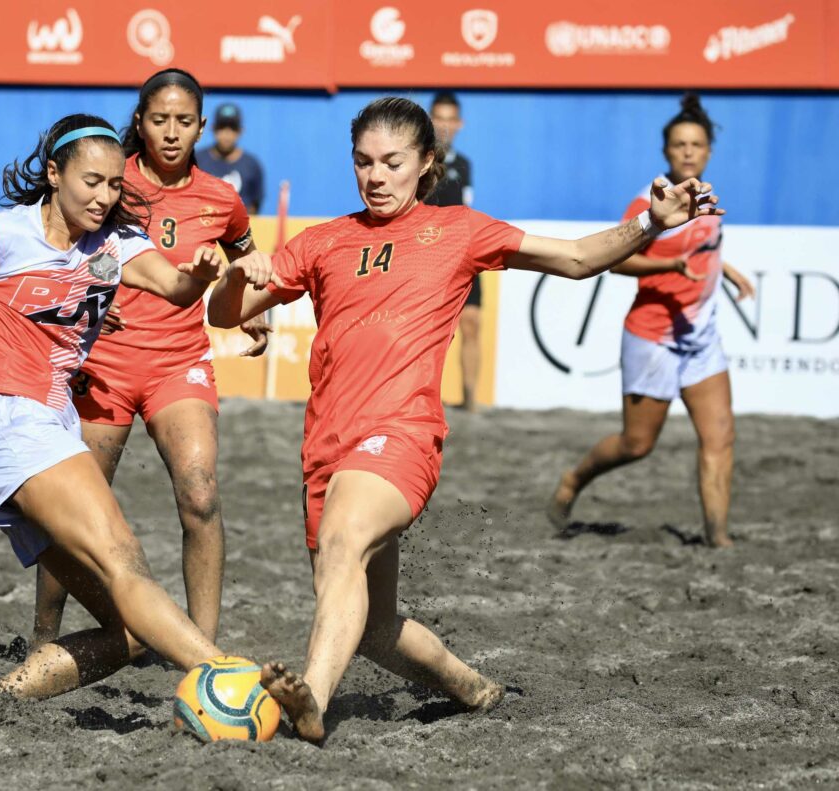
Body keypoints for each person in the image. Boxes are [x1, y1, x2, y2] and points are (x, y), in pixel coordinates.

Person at [207, 97, 723, 742]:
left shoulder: (458, 231)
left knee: (343, 540)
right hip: (325, 447)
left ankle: (310, 704)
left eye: (392, 163)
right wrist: (237, 276)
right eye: (363, 162)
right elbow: (224, 314)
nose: (375, 176)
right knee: (370, 628)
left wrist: (652, 222)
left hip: (402, 435)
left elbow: (577, 258)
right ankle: (472, 688)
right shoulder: (323, 241)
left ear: (425, 164)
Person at [0, 114, 273, 700]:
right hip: (6, 419)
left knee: (134, 628)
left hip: (48, 424)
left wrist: (205, 276)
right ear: (54, 174)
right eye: (91, 182)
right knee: (129, 568)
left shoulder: (109, 247)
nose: (104, 197)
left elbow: (176, 289)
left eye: (114, 185)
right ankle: (231, 677)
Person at [30, 69, 269, 650]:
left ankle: (205, 655)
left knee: (202, 493)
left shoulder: (221, 198)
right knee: (75, 515)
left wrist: (252, 305)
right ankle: (42, 640)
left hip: (178, 363)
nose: (170, 132)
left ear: (201, 128)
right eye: (159, 120)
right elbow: (54, 243)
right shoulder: (110, 182)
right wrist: (84, 296)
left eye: (183, 122)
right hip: (102, 365)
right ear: (139, 122)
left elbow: (246, 252)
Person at [548, 93, 754, 549]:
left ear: (707, 151)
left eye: (695, 144)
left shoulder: (707, 198)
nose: (687, 152)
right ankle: (573, 478)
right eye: (679, 144)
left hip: (701, 340)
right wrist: (669, 267)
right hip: (653, 337)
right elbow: (617, 263)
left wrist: (729, 270)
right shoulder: (650, 201)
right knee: (636, 444)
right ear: (666, 151)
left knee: (720, 437)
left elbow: (704, 249)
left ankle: (719, 540)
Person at [424, 91, 479, 411]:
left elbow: (469, 207)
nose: (444, 126)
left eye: (450, 119)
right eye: (438, 118)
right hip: (428, 253)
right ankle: (430, 396)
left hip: (462, 250)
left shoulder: (465, 165)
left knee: (471, 323)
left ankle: (470, 401)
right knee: (431, 329)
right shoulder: (419, 159)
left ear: (459, 123)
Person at [196, 103, 265, 214]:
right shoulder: (197, 160)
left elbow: (255, 204)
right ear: (213, 129)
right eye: (222, 127)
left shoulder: (251, 165)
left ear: (240, 131)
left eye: (232, 128)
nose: (227, 134)